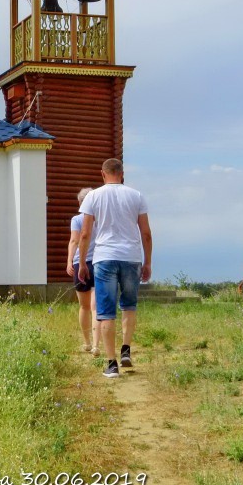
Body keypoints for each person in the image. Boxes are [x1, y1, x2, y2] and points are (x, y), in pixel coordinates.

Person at [77, 159, 153, 378]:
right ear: (122, 174)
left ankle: (111, 364)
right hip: (131, 257)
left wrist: (82, 263)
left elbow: (85, 234)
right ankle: (126, 349)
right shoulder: (136, 196)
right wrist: (147, 262)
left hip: (104, 257)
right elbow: (146, 233)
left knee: (105, 312)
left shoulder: (93, 196)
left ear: (103, 174)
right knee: (129, 305)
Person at [66, 187, 100, 355]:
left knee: (84, 306)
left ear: (80, 203)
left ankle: (86, 343)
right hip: (99, 263)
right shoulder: (100, 219)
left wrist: (69, 260)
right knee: (96, 307)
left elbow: (74, 240)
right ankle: (96, 345)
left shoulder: (77, 220)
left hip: (81, 262)